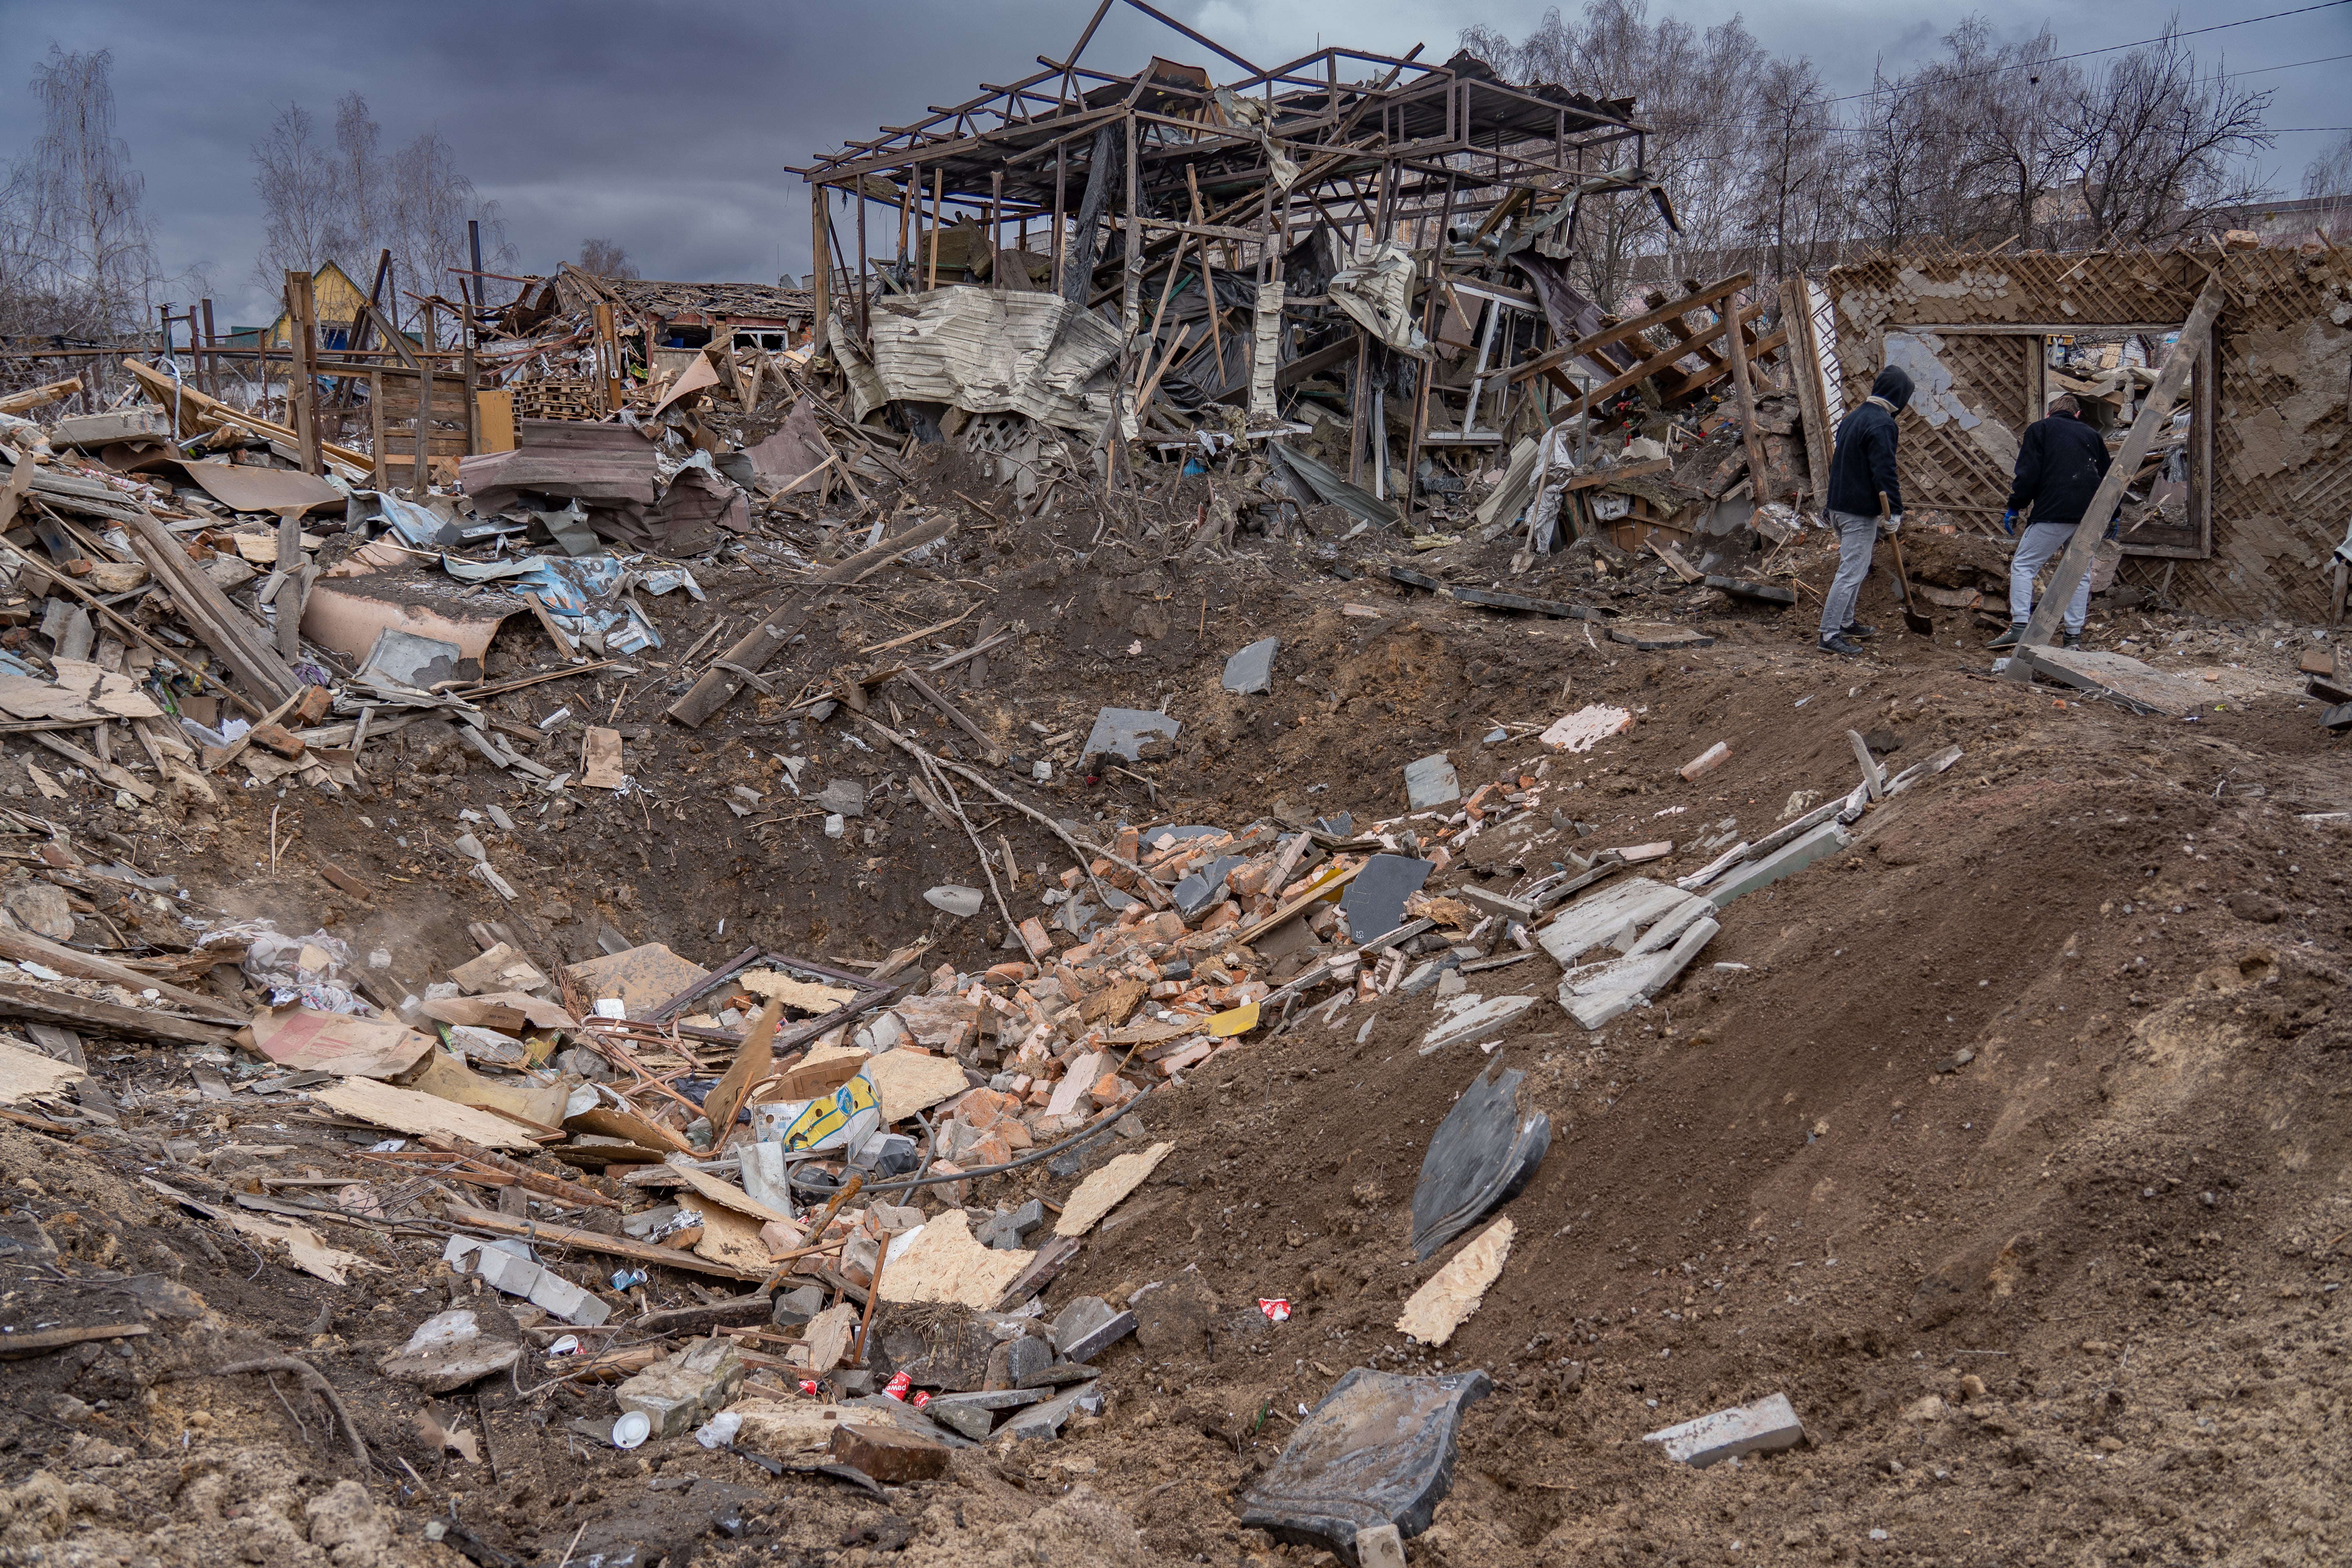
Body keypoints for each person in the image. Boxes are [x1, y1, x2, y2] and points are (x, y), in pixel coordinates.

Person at [1989, 392, 2113, 650]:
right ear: (2078, 414)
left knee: (2024, 565)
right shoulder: (2093, 436)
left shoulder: (2040, 430)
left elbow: (2028, 474)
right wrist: (2114, 515)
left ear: (2049, 413)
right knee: (2079, 575)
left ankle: (2019, 627)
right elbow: (2109, 477)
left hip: (2053, 512)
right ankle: (2073, 639)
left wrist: (2015, 506)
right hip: (2088, 515)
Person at [1817, 366, 1914, 657]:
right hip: (1857, 513)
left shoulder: (1852, 418)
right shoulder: (1883, 424)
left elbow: (1842, 465)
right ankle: (1829, 633)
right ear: (1900, 398)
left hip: (1838, 507)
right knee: (1851, 572)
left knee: (1856, 568)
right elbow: (1885, 471)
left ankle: (1845, 622)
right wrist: (1895, 511)